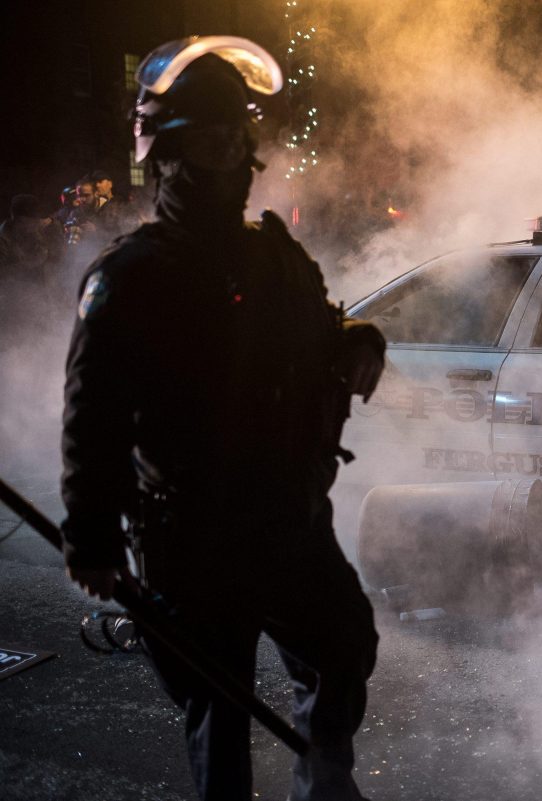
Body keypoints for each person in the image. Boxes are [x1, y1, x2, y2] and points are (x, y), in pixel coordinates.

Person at [60, 36, 385, 801]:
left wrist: (358, 341)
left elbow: (319, 333)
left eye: (238, 139)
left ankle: (325, 785)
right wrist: (91, 533)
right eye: (211, 140)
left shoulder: (273, 258)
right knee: (221, 700)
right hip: (193, 540)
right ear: (168, 155)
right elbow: (93, 410)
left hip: (289, 520)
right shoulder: (130, 277)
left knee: (344, 645)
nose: (232, 156)